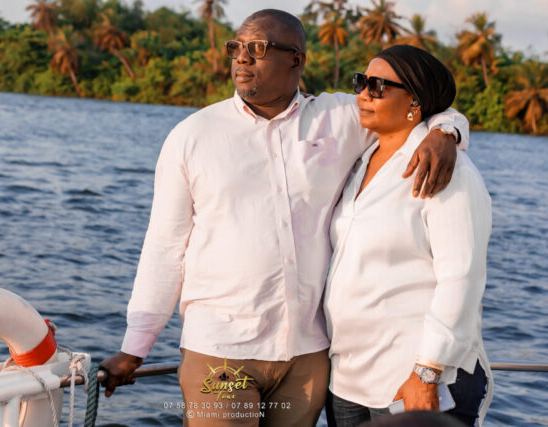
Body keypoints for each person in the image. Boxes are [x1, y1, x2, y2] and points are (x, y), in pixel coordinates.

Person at [101, 10, 469, 426]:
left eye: (257, 48)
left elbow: (421, 107)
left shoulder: (340, 118)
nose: (242, 58)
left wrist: (446, 132)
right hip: (221, 348)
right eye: (236, 47)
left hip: (307, 356)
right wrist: (135, 347)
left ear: (296, 59)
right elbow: (164, 248)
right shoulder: (192, 136)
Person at [323, 45, 493, 427]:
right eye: (361, 82)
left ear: (415, 101)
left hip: (414, 380)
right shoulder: (360, 159)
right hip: (348, 379)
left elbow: (462, 277)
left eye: (378, 86)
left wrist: (426, 372)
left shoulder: (447, 170)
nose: (363, 95)